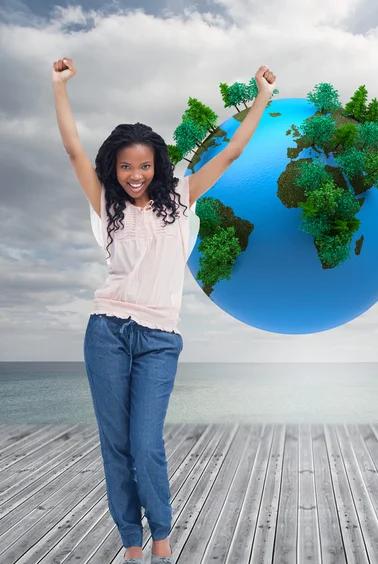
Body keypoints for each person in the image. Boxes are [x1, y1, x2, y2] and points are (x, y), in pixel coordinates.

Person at [52, 57, 276, 564]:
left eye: (144, 165)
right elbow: (71, 149)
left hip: (158, 339)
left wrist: (261, 96)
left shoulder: (181, 194)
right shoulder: (106, 201)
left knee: (145, 441)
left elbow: (235, 152)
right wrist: (59, 86)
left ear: (158, 165)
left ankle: (162, 533)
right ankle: (133, 542)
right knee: (117, 444)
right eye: (126, 166)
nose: (135, 175)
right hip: (106, 332)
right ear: (114, 167)